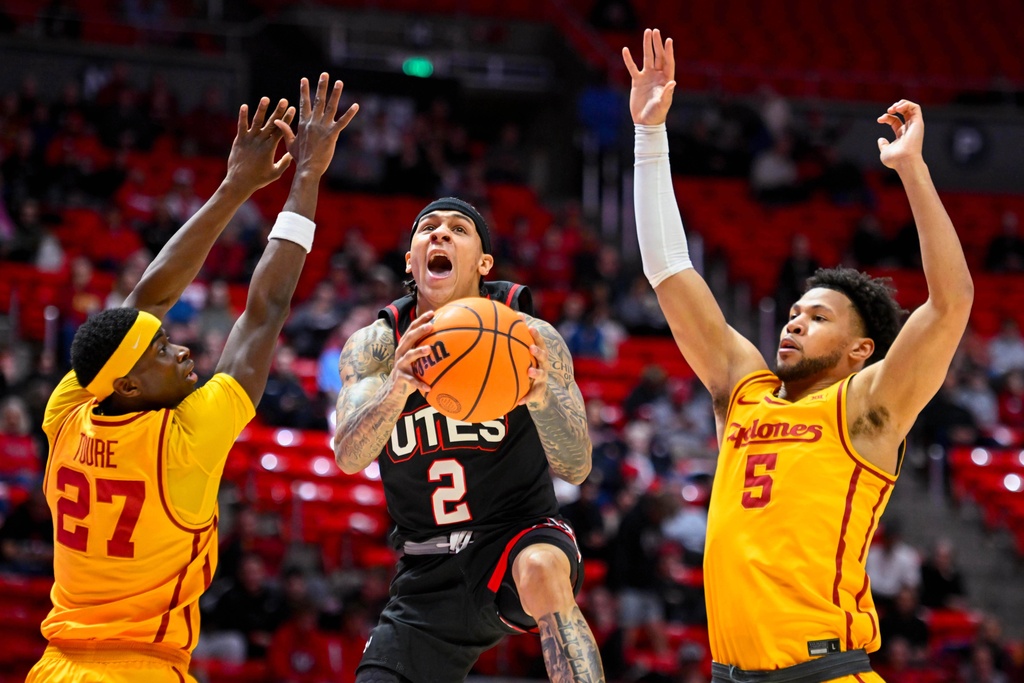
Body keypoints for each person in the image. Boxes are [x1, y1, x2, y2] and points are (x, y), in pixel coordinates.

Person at [625, 28, 973, 680]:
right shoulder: (743, 391)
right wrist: (650, 135)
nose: (792, 324)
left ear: (859, 350)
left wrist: (913, 172)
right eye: (792, 313)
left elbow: (951, 304)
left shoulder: (867, 406)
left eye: (817, 317)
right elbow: (670, 271)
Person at [27, 73, 359, 683]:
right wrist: (306, 178)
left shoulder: (68, 412)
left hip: (53, 668)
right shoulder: (183, 443)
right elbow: (265, 311)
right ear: (125, 385)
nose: (182, 350)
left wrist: (235, 186)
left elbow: (145, 299)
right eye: (161, 351)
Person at [333, 196, 605, 682]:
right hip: (425, 567)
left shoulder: (531, 337)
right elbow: (349, 457)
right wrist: (397, 388)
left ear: (483, 263)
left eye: (458, 229)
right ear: (410, 260)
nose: (439, 234)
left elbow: (577, 466)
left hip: (516, 534)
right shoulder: (377, 346)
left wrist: (540, 398)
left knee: (543, 569)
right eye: (428, 228)